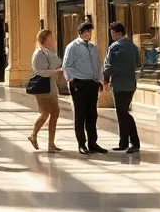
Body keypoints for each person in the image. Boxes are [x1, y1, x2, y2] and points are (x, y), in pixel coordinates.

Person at [62, 21, 107, 155]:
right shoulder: (72, 47)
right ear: (80, 33)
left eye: (90, 31)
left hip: (92, 84)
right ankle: (82, 143)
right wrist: (72, 80)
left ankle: (93, 143)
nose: (88, 34)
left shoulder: (93, 47)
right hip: (79, 84)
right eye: (86, 31)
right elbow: (67, 65)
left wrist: (99, 80)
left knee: (92, 115)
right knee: (80, 115)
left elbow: (98, 65)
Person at [104, 21, 141, 154]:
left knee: (123, 113)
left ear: (118, 33)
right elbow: (138, 63)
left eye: (112, 33)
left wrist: (104, 77)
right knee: (122, 112)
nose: (112, 35)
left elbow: (109, 66)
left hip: (119, 84)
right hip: (131, 84)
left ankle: (134, 142)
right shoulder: (133, 47)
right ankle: (123, 142)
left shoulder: (115, 47)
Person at [28, 30, 63, 153]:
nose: (53, 39)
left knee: (53, 113)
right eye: (50, 37)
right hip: (43, 88)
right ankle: (35, 135)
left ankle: (50, 143)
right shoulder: (39, 53)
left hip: (51, 86)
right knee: (47, 113)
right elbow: (39, 71)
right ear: (43, 39)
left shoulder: (48, 52)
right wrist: (56, 71)